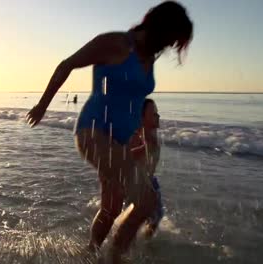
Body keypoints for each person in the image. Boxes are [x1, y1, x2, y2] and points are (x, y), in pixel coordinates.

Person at [26, 1, 192, 262]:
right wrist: (42, 105)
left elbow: (132, 102)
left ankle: (89, 254)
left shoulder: (148, 56)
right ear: (159, 27)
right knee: (147, 201)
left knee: (111, 208)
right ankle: (113, 259)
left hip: (121, 141)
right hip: (94, 133)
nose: (169, 46)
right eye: (170, 38)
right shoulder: (115, 44)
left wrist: (142, 137)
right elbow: (66, 64)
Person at [129, 98, 163, 238]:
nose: (158, 116)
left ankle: (146, 238)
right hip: (138, 182)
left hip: (149, 179)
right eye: (154, 113)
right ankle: (133, 242)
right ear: (142, 119)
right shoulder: (143, 138)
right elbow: (127, 157)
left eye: (157, 113)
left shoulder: (151, 134)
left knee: (157, 215)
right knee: (144, 214)